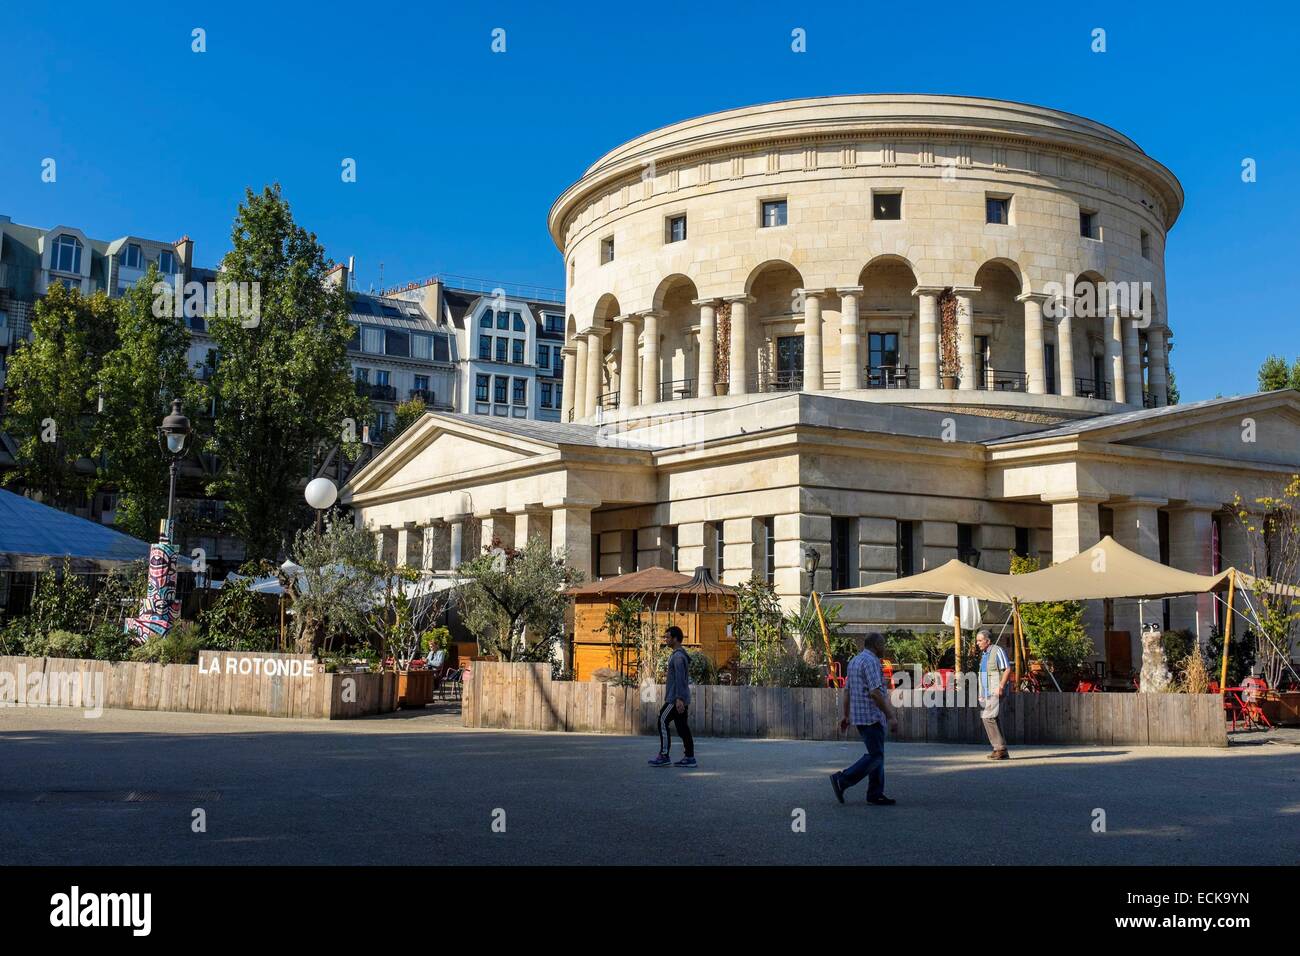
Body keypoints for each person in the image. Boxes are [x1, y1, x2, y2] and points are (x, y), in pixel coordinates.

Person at [830, 632, 898, 805]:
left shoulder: (854, 661)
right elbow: (875, 692)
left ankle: (875, 794)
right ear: (876, 645)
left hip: (860, 717)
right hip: (871, 717)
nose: (884, 647)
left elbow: (847, 691)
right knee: (875, 756)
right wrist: (891, 716)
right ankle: (843, 779)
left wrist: (846, 715)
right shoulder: (871, 662)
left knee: (877, 754)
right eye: (882, 644)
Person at [649, 625, 696, 768]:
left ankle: (664, 756)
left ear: (675, 639)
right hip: (678, 697)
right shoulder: (678, 655)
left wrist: (679, 699)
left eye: (668, 637)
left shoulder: (678, 657)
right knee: (682, 728)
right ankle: (689, 758)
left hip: (675, 699)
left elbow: (681, 679)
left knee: (662, 720)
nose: (666, 640)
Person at [976, 629, 1012, 760]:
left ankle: (1000, 748)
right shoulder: (984, 655)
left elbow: (1007, 669)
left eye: (980, 640)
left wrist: (1001, 686)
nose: (977, 643)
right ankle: (1001, 750)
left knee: (987, 717)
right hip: (988, 692)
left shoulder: (997, 650)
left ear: (988, 641)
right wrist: (982, 693)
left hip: (997, 690)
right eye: (977, 640)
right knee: (993, 718)